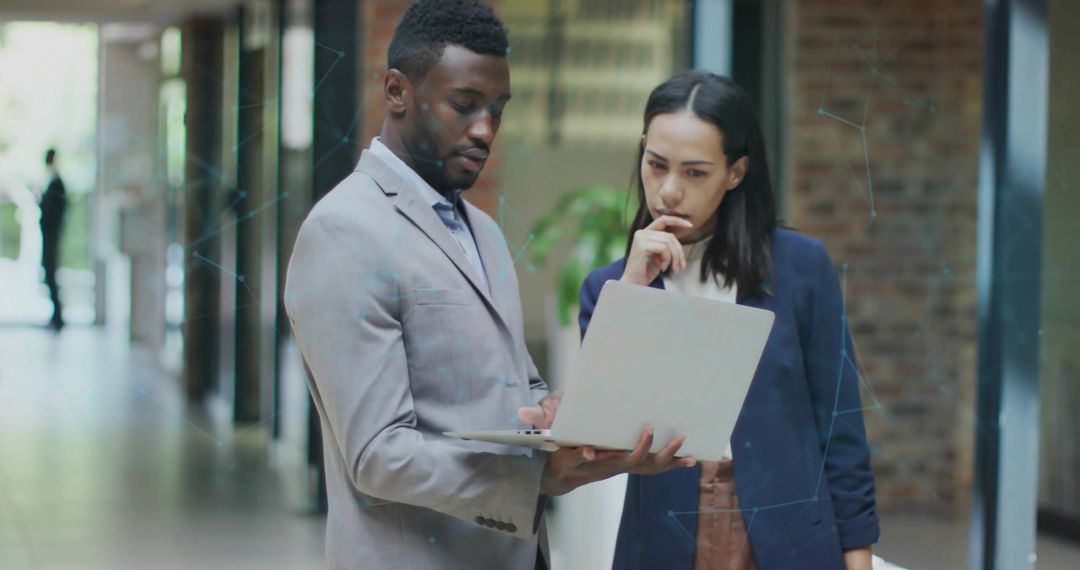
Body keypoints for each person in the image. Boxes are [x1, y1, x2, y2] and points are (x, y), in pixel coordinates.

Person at [283, 2, 692, 569]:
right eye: (464, 105)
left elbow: (517, 387)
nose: (484, 130)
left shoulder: (484, 231)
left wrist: (555, 418)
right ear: (396, 91)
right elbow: (377, 454)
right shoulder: (343, 231)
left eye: (497, 110)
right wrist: (535, 477)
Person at [578, 71, 880, 570]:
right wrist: (633, 288)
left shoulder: (801, 269)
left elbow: (840, 426)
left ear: (735, 172)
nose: (669, 191)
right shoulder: (610, 287)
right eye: (656, 165)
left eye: (695, 173)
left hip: (788, 532)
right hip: (664, 535)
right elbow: (599, 432)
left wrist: (858, 556)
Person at [39, 148, 67, 331]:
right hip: (49, 236)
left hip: (51, 236)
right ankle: (56, 316)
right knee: (48, 274)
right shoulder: (53, 183)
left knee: (51, 274)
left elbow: (53, 211)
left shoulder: (56, 184)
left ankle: (58, 317)